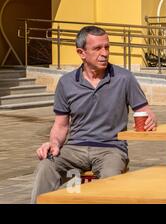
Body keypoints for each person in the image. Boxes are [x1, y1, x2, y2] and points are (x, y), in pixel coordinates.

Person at [30, 26, 157, 203]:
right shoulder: (66, 83)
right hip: (74, 148)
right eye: (97, 48)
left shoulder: (124, 78)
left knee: (110, 180)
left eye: (107, 47)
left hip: (111, 148)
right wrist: (53, 143)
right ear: (81, 53)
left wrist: (151, 119)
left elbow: (146, 111)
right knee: (46, 166)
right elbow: (61, 125)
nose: (104, 53)